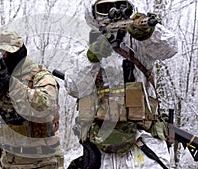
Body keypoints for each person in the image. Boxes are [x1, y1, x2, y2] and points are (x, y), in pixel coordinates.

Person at [65, 0, 178, 168]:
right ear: (93, 13)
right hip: (101, 143)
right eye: (103, 8)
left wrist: (148, 32)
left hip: (144, 141)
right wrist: (93, 56)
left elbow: (170, 48)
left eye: (119, 4)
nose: (112, 11)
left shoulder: (139, 41)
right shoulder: (85, 45)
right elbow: (73, 86)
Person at [0, 30, 64, 169]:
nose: (5, 57)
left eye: (9, 53)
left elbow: (45, 107)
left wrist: (12, 85)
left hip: (43, 162)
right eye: (2, 54)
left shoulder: (39, 76)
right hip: (9, 161)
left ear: (21, 52)